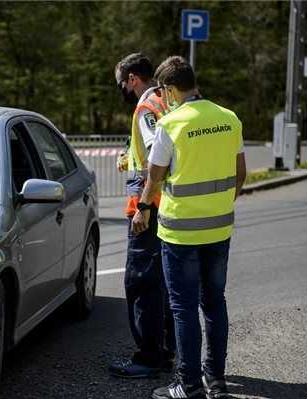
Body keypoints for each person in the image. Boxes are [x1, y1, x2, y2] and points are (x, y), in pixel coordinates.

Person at [131, 56, 246, 399]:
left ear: (168, 89)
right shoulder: (229, 118)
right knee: (214, 303)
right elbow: (240, 174)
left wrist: (142, 211)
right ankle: (217, 382)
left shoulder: (171, 124)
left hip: (180, 233)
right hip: (219, 229)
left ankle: (189, 384)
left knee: (182, 309)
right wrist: (220, 204)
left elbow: (154, 179)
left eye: (163, 93)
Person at [108, 53, 175, 379]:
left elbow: (153, 157)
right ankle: (167, 350)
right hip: (170, 206)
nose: (121, 88)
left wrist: (144, 208)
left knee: (140, 281)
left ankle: (149, 358)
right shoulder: (168, 101)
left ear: (133, 79)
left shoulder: (147, 107)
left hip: (148, 208)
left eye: (121, 82)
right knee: (163, 281)